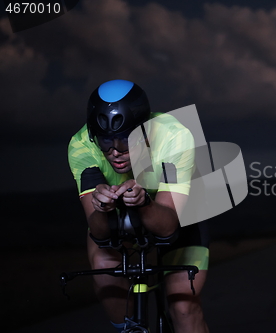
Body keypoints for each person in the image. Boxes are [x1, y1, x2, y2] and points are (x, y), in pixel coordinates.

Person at [68, 79, 210, 333]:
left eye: (125, 138)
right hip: (118, 216)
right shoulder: (81, 145)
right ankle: (129, 328)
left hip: (177, 211)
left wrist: (144, 203)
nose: (115, 151)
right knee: (103, 268)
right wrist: (101, 207)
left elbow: (167, 227)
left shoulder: (174, 136)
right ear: (93, 136)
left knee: (184, 307)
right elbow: (99, 233)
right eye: (106, 141)